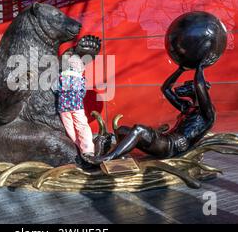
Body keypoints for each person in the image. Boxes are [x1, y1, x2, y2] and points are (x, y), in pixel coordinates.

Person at [83, 64, 215, 164]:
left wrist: (199, 66)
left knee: (139, 130)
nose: (182, 88)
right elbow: (166, 89)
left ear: (198, 90)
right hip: (164, 140)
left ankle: (106, 158)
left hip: (171, 147)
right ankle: (120, 157)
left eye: (188, 86)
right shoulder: (187, 107)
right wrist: (180, 69)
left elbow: (200, 85)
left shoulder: (207, 113)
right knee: (122, 130)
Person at [57, 54, 94, 155]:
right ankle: (87, 150)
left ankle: (77, 148)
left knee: (69, 128)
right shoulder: (81, 78)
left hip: (63, 106)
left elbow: (55, 89)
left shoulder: (60, 77)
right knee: (82, 126)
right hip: (77, 105)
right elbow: (83, 92)